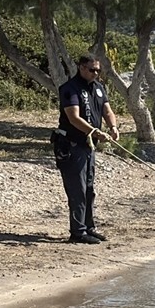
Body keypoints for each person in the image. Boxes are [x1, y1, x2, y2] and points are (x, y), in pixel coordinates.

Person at [55, 55, 119, 244]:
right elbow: (74, 117)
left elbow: (107, 111)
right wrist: (95, 132)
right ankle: (78, 232)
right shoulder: (70, 89)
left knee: (89, 189)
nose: (96, 73)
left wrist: (113, 127)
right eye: (92, 70)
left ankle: (89, 227)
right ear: (82, 68)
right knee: (78, 190)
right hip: (71, 145)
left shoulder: (99, 88)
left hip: (88, 147)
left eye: (98, 70)